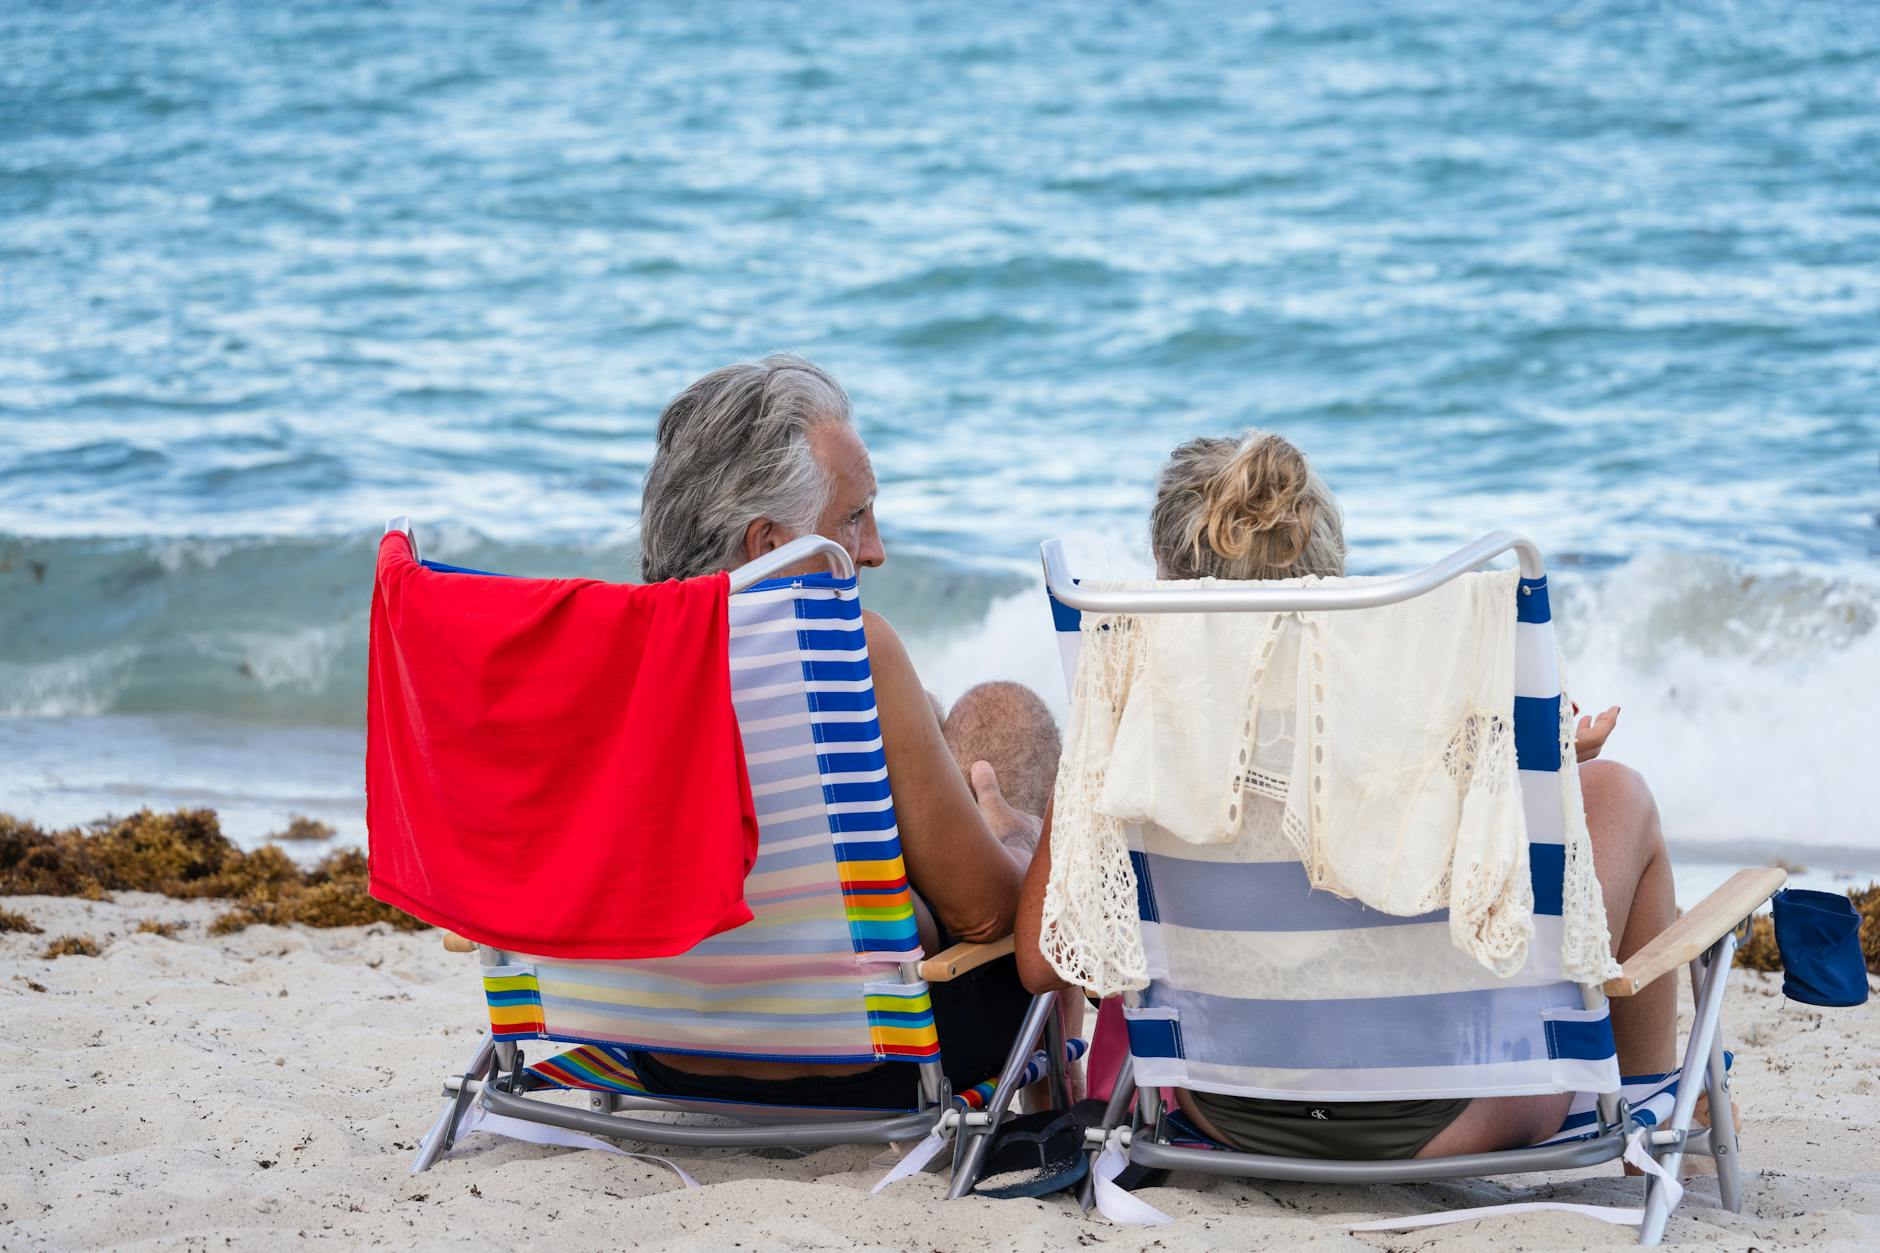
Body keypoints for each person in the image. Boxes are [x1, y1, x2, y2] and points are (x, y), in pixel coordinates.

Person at [1014, 431, 1675, 1160]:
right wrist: (1533, 777)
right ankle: (1654, 1101)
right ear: (1329, 565)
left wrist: (1085, 771)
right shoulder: (1425, 699)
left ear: (1168, 572)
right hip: (1457, 1116)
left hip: (1224, 1106)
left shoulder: (1133, 723)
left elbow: (1042, 963)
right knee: (1621, 794)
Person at [633, 354, 1061, 1108]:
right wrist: (1019, 835)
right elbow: (988, 914)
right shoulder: (855, 650)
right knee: (1007, 714)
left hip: (663, 1048)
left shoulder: (601, 659)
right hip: (872, 1060)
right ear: (771, 545)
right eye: (853, 518)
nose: (875, 550)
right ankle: (1055, 1098)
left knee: (947, 713)